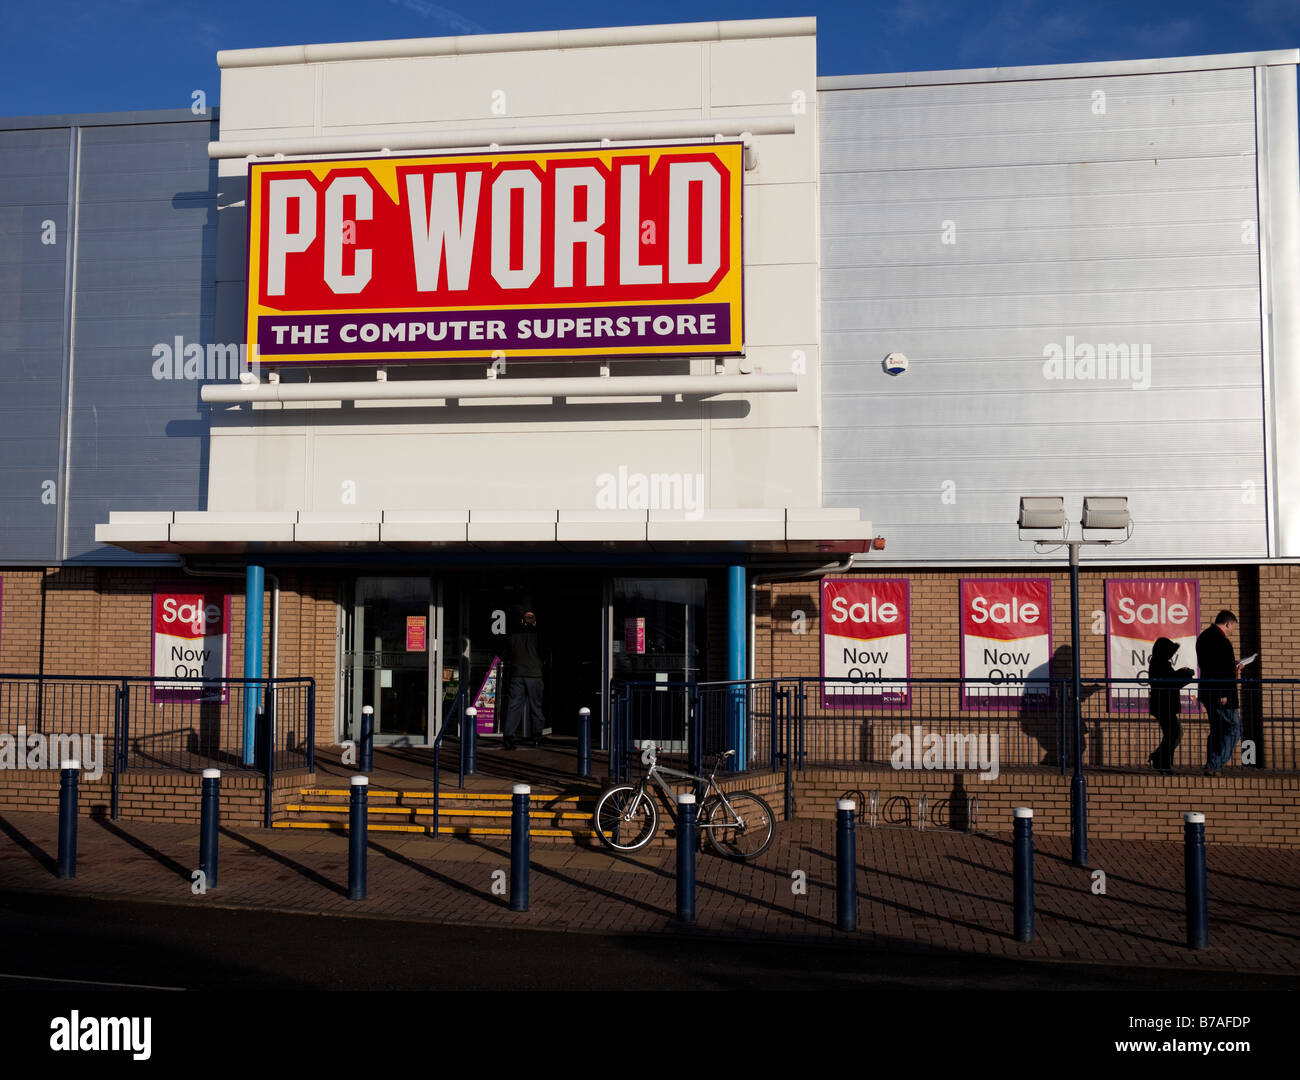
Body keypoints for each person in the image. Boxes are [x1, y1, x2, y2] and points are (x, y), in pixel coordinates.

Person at [1195, 610, 1246, 776]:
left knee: (1217, 729)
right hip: (1221, 693)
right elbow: (1220, 669)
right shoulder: (1221, 641)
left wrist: (1234, 666)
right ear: (1228, 624)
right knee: (1234, 727)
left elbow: (1212, 666)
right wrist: (1223, 693)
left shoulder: (1204, 637)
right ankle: (1215, 764)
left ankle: (1212, 764)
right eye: (1233, 628)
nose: (1232, 631)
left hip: (1208, 691)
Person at [1147, 637, 1194, 772]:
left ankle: (1160, 759)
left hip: (1163, 704)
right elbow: (1171, 682)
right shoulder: (1160, 663)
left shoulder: (1159, 663)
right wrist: (1185, 674)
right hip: (1164, 704)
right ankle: (1163, 763)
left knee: (1173, 733)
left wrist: (1183, 674)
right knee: (1173, 733)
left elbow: (1171, 679)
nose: (1171, 654)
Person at [502, 609, 546, 750]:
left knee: (514, 706)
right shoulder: (538, 635)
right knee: (536, 707)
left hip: (517, 674)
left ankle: (509, 736)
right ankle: (537, 736)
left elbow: (506, 653)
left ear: (522, 621)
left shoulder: (513, 635)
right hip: (534, 675)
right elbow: (544, 653)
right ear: (534, 622)